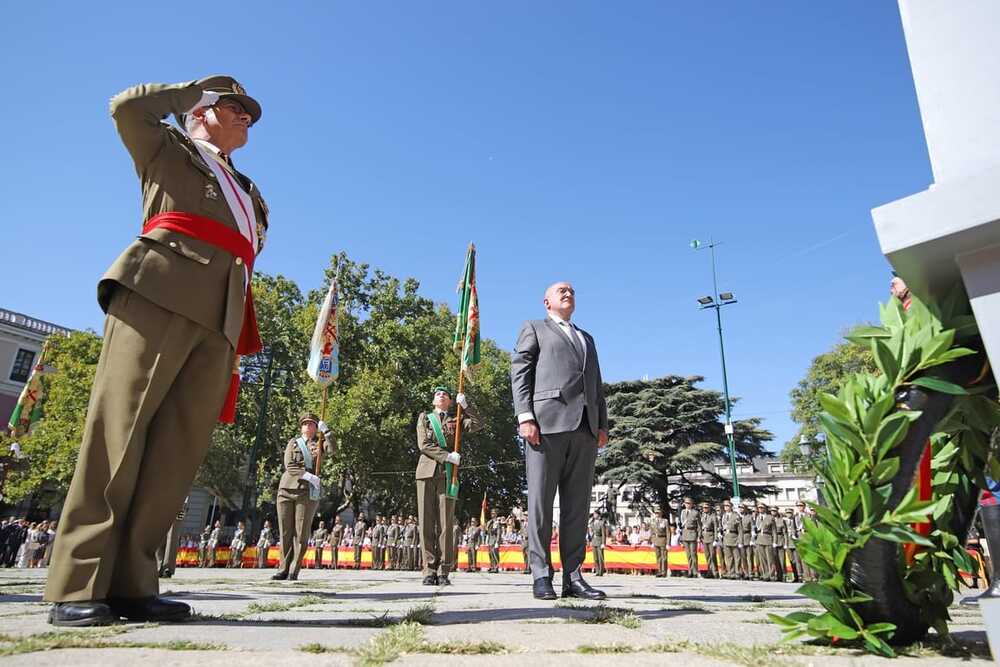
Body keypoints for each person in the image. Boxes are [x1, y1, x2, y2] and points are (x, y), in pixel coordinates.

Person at [45, 76, 268, 627]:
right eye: (234, 108)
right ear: (202, 111)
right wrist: (193, 91)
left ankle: (133, 584)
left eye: (246, 112)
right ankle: (76, 583)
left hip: (221, 315)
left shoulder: (247, 187)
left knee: (176, 453)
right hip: (160, 291)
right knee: (119, 435)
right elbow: (125, 108)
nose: (246, 118)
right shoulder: (168, 147)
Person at [511, 281, 609, 601]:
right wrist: (525, 415)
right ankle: (541, 574)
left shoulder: (587, 338)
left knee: (576, 506)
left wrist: (602, 425)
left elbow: (596, 385)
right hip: (545, 424)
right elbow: (520, 371)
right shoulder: (535, 328)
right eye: (561, 290)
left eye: (572, 290)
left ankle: (573, 575)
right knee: (540, 503)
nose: (568, 293)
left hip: (585, 427)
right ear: (546, 301)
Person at [416, 386, 481, 586]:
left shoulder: (457, 419)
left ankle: (444, 570)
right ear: (434, 401)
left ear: (451, 401)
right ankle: (429, 570)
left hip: (448, 475)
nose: (441, 395)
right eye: (438, 394)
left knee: (446, 523)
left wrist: (467, 406)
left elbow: (479, 424)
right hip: (426, 472)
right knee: (426, 521)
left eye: (445, 394)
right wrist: (447, 456)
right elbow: (423, 444)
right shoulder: (425, 418)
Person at [273, 413, 336, 581]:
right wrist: (308, 476)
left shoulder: (320, 443)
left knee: (301, 533)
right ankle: (283, 568)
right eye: (306, 424)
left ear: (316, 428)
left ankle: (294, 569)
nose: (308, 427)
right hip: (286, 489)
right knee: (285, 531)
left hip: (306, 493)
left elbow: (333, 449)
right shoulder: (293, 443)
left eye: (312, 424)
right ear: (301, 427)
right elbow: (289, 465)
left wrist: (328, 432)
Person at [156, 498, 187, 578]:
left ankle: (167, 568)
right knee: (158, 536)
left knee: (172, 538)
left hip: (177, 502)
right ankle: (159, 566)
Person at [754, 502, 776, 582]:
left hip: (768, 538)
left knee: (770, 558)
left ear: (765, 509)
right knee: (762, 559)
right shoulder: (757, 517)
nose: (760, 509)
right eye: (759, 508)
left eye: (762, 508)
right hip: (759, 539)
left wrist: (774, 541)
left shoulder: (770, 517)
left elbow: (774, 531)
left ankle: (772, 575)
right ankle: (765, 574)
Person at [679, 498, 700, 578]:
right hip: (685, 534)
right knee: (688, 555)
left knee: (693, 554)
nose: (687, 504)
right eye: (686, 503)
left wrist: (698, 536)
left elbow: (699, 525)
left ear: (692, 504)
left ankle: (695, 571)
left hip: (692, 533)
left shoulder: (695, 513)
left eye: (688, 503)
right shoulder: (683, 512)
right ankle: (690, 570)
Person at [721, 500, 742, 580]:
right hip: (726, 537)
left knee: (736, 557)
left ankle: (738, 572)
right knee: (728, 557)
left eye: (728, 506)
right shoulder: (724, 516)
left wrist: (740, 541)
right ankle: (731, 572)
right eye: (725, 506)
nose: (726, 507)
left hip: (734, 537)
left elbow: (740, 529)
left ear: (731, 507)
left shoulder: (736, 515)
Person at [651, 508, 671, 578]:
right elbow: (652, 532)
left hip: (663, 539)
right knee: (658, 557)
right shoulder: (653, 521)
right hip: (656, 540)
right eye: (656, 513)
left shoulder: (665, 521)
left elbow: (668, 532)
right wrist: (652, 541)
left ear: (661, 513)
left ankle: (664, 572)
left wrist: (668, 543)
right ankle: (659, 571)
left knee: (664, 557)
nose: (657, 514)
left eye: (658, 513)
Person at [588, 512, 606, 577]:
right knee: (595, 558)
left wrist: (603, 543)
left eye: (595, 514)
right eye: (594, 514)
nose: (594, 515)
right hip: (594, 541)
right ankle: (597, 571)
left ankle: (601, 571)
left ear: (598, 515)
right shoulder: (592, 523)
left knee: (600, 557)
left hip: (599, 541)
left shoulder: (601, 523)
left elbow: (603, 534)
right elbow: (590, 533)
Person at [772, 507, 787, 582]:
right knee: (775, 560)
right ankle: (778, 575)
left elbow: (785, 533)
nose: (773, 512)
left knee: (782, 559)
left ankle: (784, 574)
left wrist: (785, 543)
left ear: (777, 511)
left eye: (774, 511)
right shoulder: (770, 520)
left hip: (780, 540)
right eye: (772, 511)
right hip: (772, 541)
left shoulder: (781, 520)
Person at [486, 509, 503, 574]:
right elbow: (488, 531)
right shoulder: (490, 522)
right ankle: (492, 566)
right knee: (490, 554)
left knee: (495, 554)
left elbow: (499, 533)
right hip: (490, 540)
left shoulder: (497, 522)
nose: (492, 514)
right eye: (492, 513)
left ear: (496, 514)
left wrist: (497, 542)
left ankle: (496, 567)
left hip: (495, 540)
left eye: (494, 513)